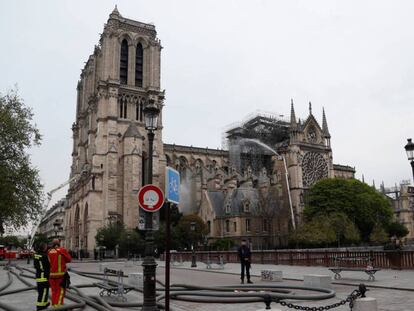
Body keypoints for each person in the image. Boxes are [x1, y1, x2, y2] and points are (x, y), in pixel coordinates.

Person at [48, 239, 72, 307]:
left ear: (52, 244)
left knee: (54, 291)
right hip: (60, 275)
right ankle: (58, 307)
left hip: (51, 276)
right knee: (60, 291)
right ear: (59, 243)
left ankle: (54, 305)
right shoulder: (62, 250)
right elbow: (69, 259)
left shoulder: (49, 251)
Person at [33, 242, 50, 310]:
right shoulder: (45, 256)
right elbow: (48, 266)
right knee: (44, 292)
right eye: (46, 246)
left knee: (40, 292)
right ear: (44, 247)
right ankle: (41, 306)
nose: (47, 248)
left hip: (38, 276)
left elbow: (35, 265)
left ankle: (42, 303)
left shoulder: (36, 255)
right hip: (44, 276)